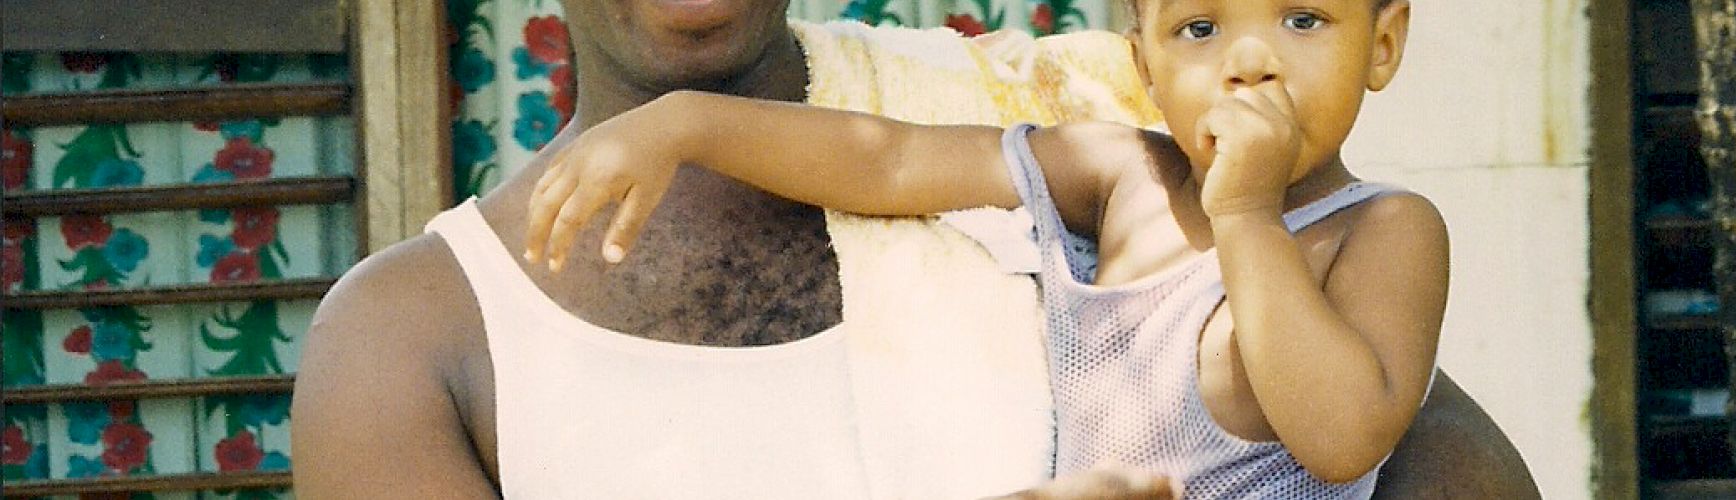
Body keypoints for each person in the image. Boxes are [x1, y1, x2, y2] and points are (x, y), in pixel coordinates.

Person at [293, 0, 1541, 498]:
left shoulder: (1051, 103)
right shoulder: (409, 342)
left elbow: (1421, 452)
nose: (1248, 57)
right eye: (1202, 21)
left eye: (1302, 15)